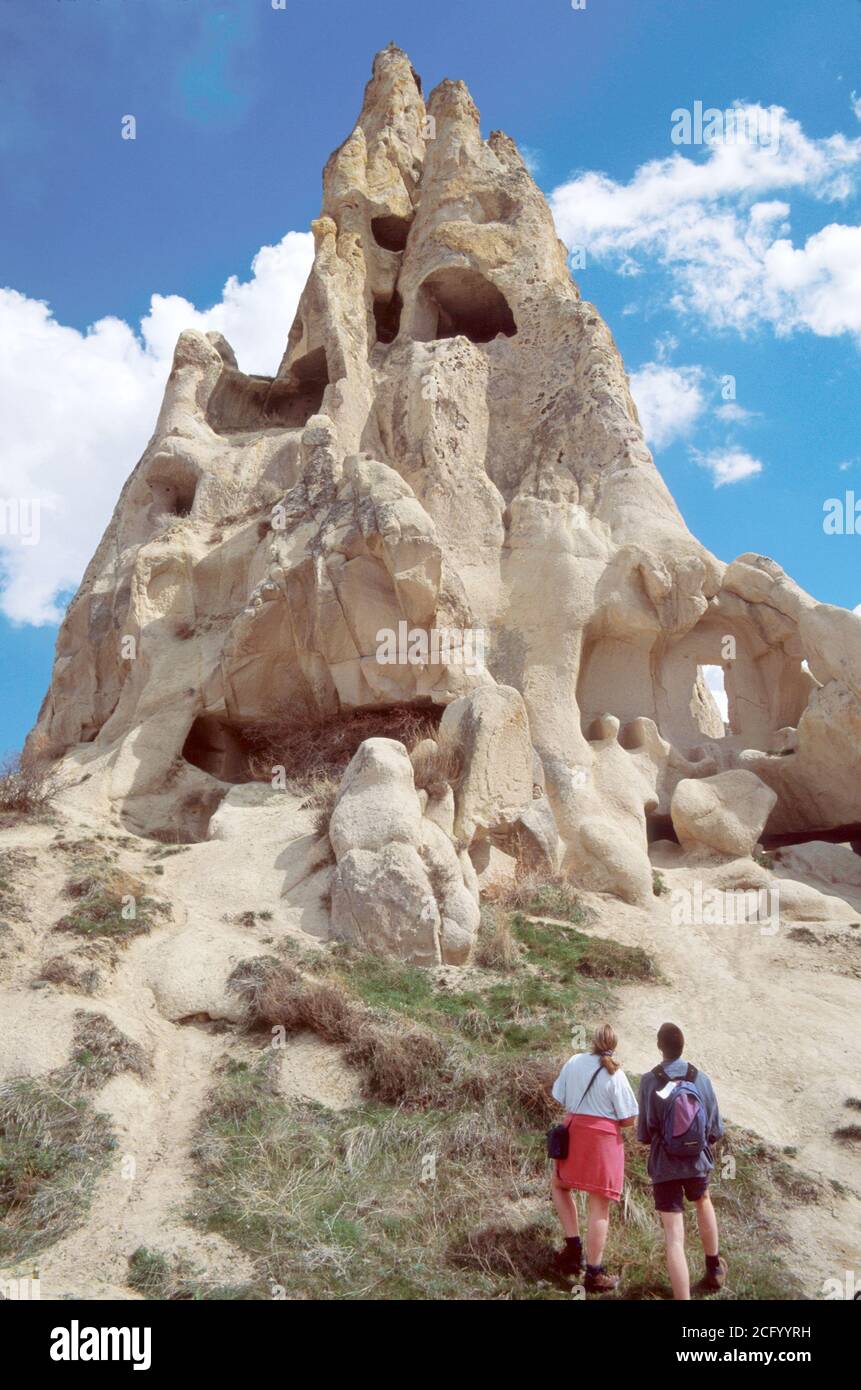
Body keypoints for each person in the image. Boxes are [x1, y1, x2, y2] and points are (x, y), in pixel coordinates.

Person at [637, 1021, 728, 1299]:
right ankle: (713, 1268)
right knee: (703, 1201)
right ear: (682, 1045)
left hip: (664, 1165)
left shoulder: (649, 1080)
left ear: (659, 1047)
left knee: (674, 1236)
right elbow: (715, 1130)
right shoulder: (700, 1078)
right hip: (696, 1161)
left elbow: (644, 1133)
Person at [550, 1023, 638, 1291]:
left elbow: (558, 1096)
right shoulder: (616, 1075)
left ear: (592, 1041)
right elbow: (628, 1120)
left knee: (559, 1184)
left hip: (574, 1134)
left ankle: (573, 1248)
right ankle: (594, 1272)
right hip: (603, 1142)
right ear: (614, 1044)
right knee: (599, 1205)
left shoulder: (574, 1061)